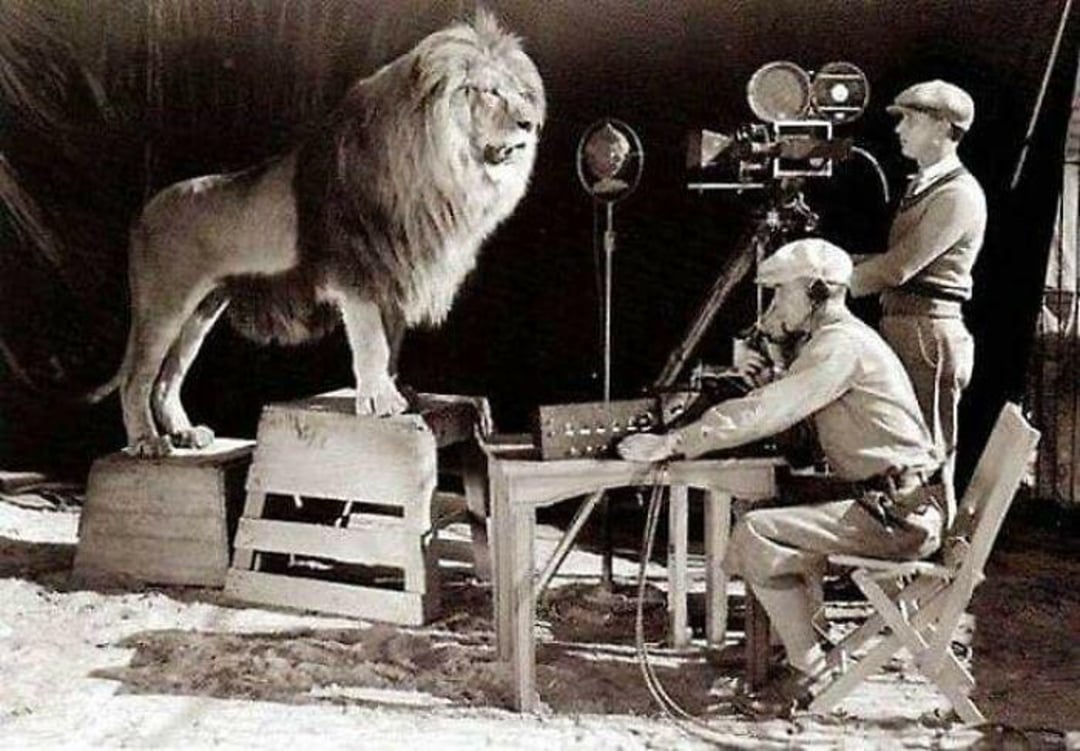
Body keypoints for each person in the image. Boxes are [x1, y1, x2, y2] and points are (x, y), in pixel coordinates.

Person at [618, 238, 948, 718]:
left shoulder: (840, 346)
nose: (773, 307)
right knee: (763, 515)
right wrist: (774, 362)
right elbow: (799, 423)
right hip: (895, 505)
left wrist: (673, 442)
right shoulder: (831, 342)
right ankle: (804, 650)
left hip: (896, 519)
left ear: (816, 293)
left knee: (757, 533)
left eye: (781, 295)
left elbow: (768, 412)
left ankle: (810, 667)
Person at [849, 80, 986, 497]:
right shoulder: (924, 186)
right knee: (907, 444)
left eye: (911, 119)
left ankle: (937, 546)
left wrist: (832, 280)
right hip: (905, 326)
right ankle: (911, 541)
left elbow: (900, 267)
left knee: (930, 449)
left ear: (944, 127)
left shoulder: (958, 195)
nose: (899, 129)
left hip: (929, 334)